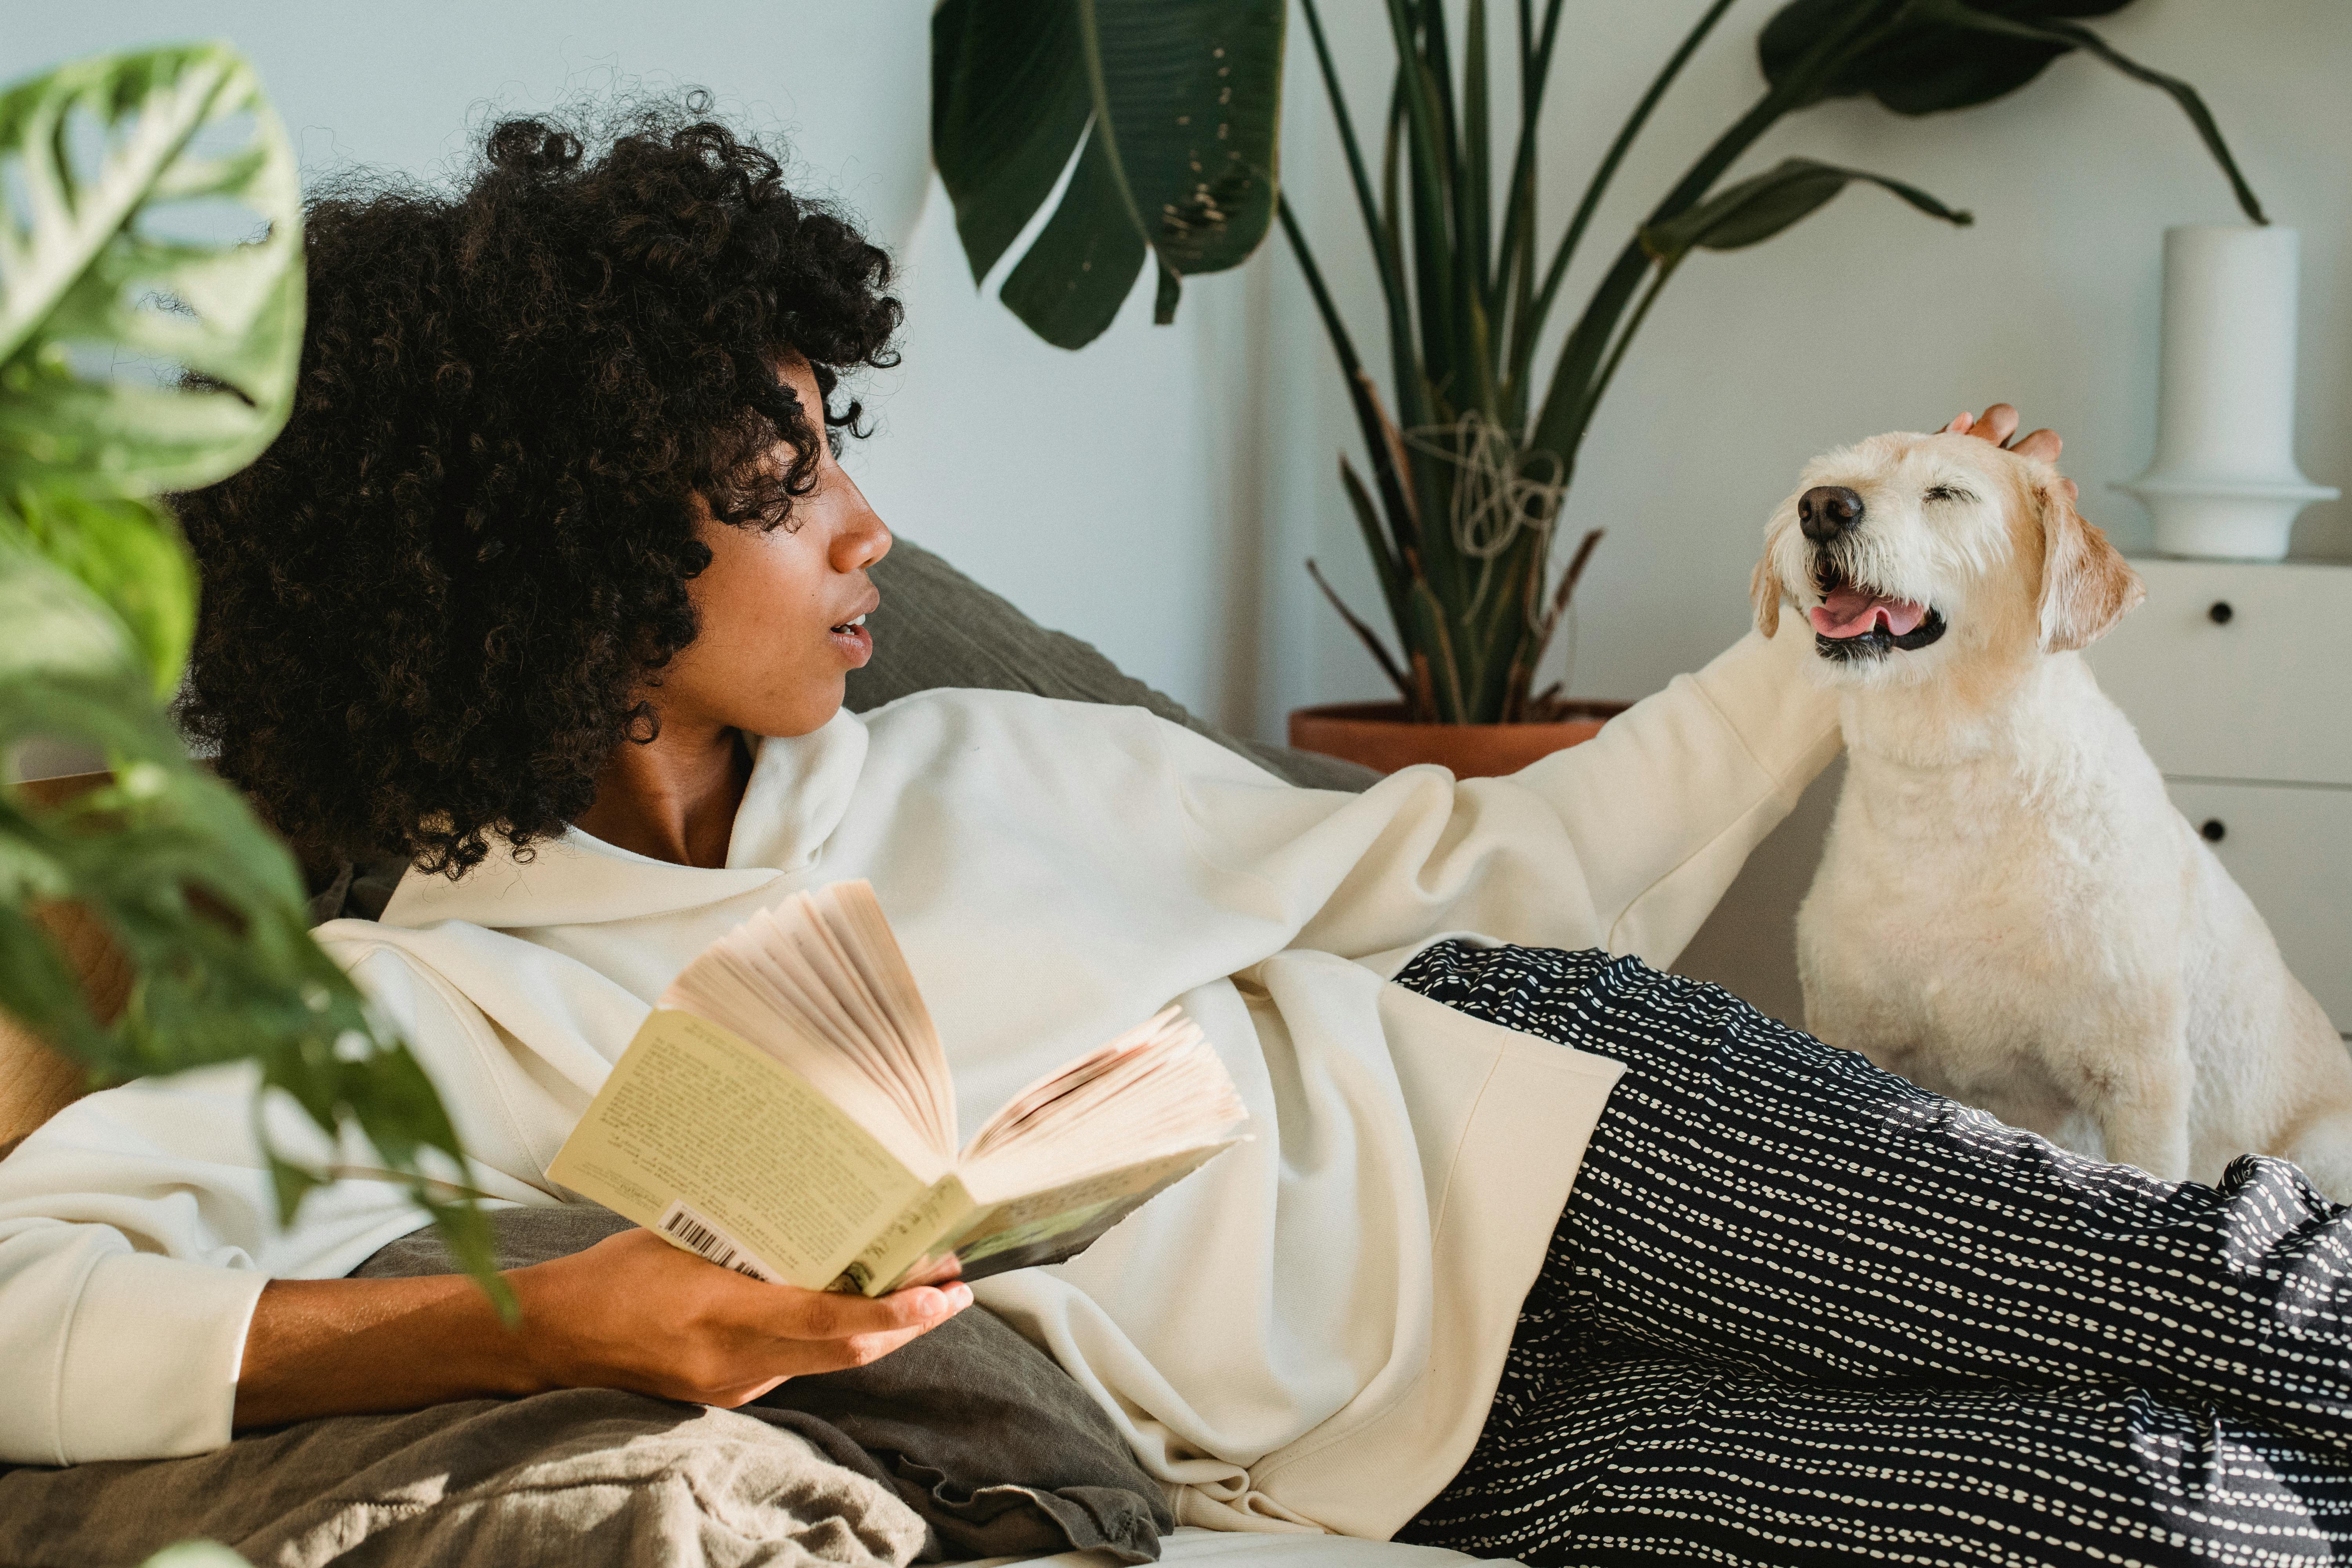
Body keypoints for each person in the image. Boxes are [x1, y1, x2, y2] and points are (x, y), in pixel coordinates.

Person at [2, 100, 2349, 1568]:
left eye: (840, 448)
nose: (865, 531)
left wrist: (1827, 632)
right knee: (2141, 1507)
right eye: (790, 475)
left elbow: (1485, 882)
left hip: (1524, 1134)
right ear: (562, 554)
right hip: (1386, 1465)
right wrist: (556, 1306)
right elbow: (27, 1316)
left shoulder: (967, 762)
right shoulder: (400, 1010)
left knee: (2222, 1290)